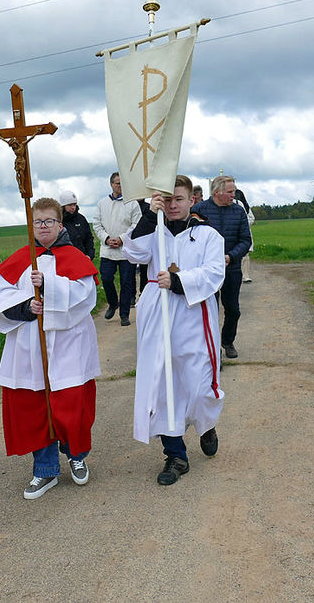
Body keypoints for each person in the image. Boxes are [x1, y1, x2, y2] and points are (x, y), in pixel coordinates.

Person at [0, 198, 100, 500]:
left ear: (61, 224)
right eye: (38, 222)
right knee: (35, 406)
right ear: (31, 225)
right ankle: (45, 470)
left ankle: (77, 457)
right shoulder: (22, 258)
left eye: (49, 221)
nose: (43, 226)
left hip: (68, 345)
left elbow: (85, 297)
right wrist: (26, 307)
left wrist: (49, 285)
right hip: (30, 346)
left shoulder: (75, 257)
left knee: (72, 403)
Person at [122, 175, 226, 485]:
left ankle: (205, 423)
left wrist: (180, 282)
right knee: (163, 381)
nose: (172, 205)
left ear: (192, 200)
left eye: (178, 199)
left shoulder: (207, 235)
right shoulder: (154, 229)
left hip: (193, 312)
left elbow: (213, 271)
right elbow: (133, 252)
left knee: (198, 381)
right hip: (158, 310)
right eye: (166, 200)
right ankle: (175, 454)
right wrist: (145, 213)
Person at [191, 175, 252, 359]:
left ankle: (227, 341)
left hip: (231, 269)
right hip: (206, 271)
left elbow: (245, 240)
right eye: (230, 192)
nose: (234, 195)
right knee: (210, 311)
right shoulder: (199, 210)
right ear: (217, 192)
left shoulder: (239, 211)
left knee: (233, 310)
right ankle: (213, 347)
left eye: (234, 191)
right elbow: (190, 237)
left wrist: (230, 257)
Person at [92, 171, 142, 326]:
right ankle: (113, 303)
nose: (120, 186)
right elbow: (97, 224)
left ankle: (124, 314)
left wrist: (122, 239)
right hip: (108, 249)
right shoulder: (102, 203)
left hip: (126, 250)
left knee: (127, 282)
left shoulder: (132, 203)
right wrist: (107, 239)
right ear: (111, 184)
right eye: (117, 183)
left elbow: (136, 224)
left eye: (122, 183)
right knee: (106, 278)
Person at [59, 189, 95, 260]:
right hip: (65, 259)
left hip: (82, 258)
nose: (73, 207)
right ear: (63, 206)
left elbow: (89, 238)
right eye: (70, 205)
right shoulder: (58, 220)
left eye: (74, 204)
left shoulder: (81, 219)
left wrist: (89, 255)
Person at [233, 187, 256, 283]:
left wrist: (243, 225)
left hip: (243, 232)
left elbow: (251, 218)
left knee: (245, 254)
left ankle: (245, 275)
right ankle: (240, 275)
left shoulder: (244, 206)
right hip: (234, 233)